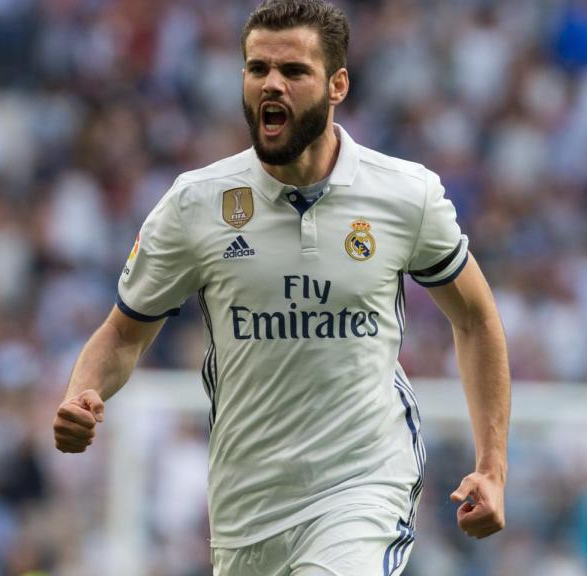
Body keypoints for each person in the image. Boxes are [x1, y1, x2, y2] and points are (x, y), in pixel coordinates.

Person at [52, 0, 510, 573]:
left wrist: (492, 468)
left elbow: (475, 319)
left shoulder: (405, 195)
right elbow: (122, 335)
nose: (272, 84)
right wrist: (81, 395)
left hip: (364, 485)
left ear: (337, 84)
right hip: (246, 510)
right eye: (257, 69)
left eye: (293, 72)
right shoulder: (196, 204)